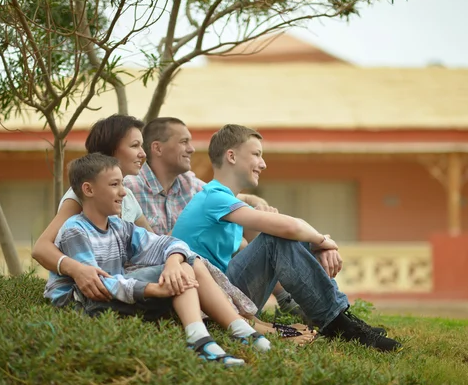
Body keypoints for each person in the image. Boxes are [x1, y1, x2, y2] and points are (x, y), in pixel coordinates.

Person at [171, 124, 403, 352]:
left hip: (226, 295)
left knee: (284, 237)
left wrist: (315, 246)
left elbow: (262, 250)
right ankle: (336, 323)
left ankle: (338, 319)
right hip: (206, 304)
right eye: (256, 154)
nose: (263, 163)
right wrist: (323, 241)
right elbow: (289, 228)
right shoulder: (214, 198)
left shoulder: (225, 204)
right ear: (231, 156)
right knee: (276, 237)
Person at [44, 153, 272, 366]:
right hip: (87, 303)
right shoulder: (75, 230)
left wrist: (173, 262)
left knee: (184, 263)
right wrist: (152, 289)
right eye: (115, 185)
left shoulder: (119, 226)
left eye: (122, 183)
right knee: (184, 269)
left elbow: (168, 243)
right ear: (88, 189)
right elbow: (96, 285)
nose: (123, 192)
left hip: (116, 294)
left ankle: (228, 332)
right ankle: (211, 338)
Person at [124, 117, 305, 318]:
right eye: (184, 142)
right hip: (162, 274)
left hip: (203, 271)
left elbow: (228, 197)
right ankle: (257, 316)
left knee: (243, 239)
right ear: (157, 148)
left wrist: (258, 204)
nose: (192, 149)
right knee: (239, 241)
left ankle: (283, 299)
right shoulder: (128, 188)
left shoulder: (189, 183)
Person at [33, 115, 151, 302]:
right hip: (93, 293)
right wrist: (78, 270)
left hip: (122, 284)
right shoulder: (82, 196)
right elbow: (41, 248)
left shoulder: (127, 197)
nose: (143, 153)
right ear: (110, 150)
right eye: (135, 145)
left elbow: (154, 243)